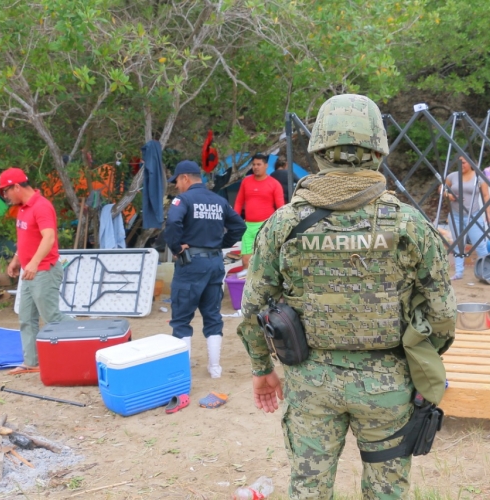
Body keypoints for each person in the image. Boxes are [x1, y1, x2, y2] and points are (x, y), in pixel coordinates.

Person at [237, 94, 456, 499]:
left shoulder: (283, 224)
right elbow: (442, 313)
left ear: (317, 149)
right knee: (387, 492)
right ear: (378, 149)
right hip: (387, 384)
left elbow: (252, 309)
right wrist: (423, 362)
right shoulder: (409, 224)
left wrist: (260, 368)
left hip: (310, 384)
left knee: (309, 489)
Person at [164, 160, 246, 378]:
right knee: (212, 315)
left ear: (185, 178)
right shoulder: (219, 201)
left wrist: (175, 247)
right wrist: (220, 243)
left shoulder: (183, 199)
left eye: (177, 182)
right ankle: (215, 369)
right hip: (214, 263)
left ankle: (183, 371)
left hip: (191, 264)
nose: (176, 187)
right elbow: (240, 225)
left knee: (181, 318)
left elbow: (172, 223)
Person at [0, 167, 71, 375]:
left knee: (52, 316)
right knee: (26, 318)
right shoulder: (21, 208)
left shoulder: (41, 206)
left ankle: (89, 336)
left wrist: (35, 263)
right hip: (29, 273)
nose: (5, 195)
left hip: (44, 271)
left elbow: (48, 238)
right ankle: (32, 362)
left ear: (16, 187)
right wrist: (16, 260)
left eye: (5, 191)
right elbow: (26, 239)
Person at [441, 153, 490, 280]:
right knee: (458, 244)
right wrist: (449, 195)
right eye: (459, 163)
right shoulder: (452, 176)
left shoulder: (479, 177)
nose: (461, 165)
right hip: (455, 216)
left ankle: (487, 270)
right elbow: (442, 188)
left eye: (463, 162)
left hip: (473, 215)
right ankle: (459, 272)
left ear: (471, 163)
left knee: (479, 244)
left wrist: (488, 213)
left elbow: (486, 195)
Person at [234, 153, 284, 269]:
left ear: (266, 165)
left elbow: (281, 208)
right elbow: (238, 202)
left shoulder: (274, 184)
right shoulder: (246, 182)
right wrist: (235, 221)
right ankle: (247, 286)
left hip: (266, 227)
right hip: (248, 227)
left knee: (265, 261)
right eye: (254, 164)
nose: (256, 167)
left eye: (259, 164)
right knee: (246, 261)